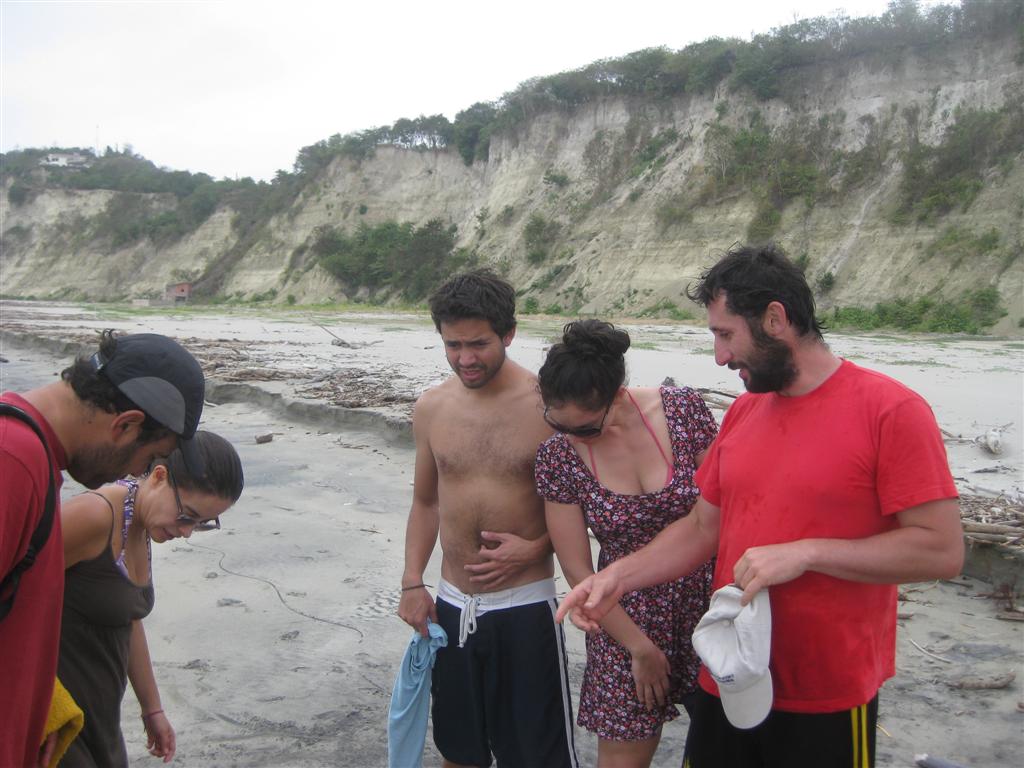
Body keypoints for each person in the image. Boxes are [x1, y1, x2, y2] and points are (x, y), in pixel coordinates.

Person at [556, 244, 963, 768]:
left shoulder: (891, 410)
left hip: (827, 689)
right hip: (729, 670)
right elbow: (702, 527)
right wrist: (617, 578)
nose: (719, 356)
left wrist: (808, 553)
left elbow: (941, 550)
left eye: (726, 334)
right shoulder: (745, 412)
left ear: (775, 319)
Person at [397, 269, 580, 768]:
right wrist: (412, 582)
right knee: (459, 752)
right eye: (453, 345)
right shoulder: (431, 407)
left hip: (525, 608)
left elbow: (590, 503)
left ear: (509, 334)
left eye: (478, 344)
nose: (465, 358)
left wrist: (537, 547)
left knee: (537, 758)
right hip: (452, 607)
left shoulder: (548, 406)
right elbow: (426, 503)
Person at [1, 330, 206, 768]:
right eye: (148, 459)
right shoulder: (13, 460)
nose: (135, 474)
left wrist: (41, 705)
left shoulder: (30, 455)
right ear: (125, 424)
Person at [534, 319, 717, 768]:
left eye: (586, 429)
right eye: (558, 423)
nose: (572, 438)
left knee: (724, 748)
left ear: (617, 396)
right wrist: (638, 646)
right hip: (620, 615)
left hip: (708, 603)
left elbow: (723, 506)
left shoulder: (683, 411)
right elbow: (578, 569)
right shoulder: (557, 457)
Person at [58, 431, 243, 767]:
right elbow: (11, 590)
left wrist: (152, 708)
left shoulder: (140, 524)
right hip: (54, 717)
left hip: (97, 718)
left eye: (201, 524)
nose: (186, 532)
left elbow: (127, 620)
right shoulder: (95, 516)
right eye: (186, 515)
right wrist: (38, 704)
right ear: (159, 477)